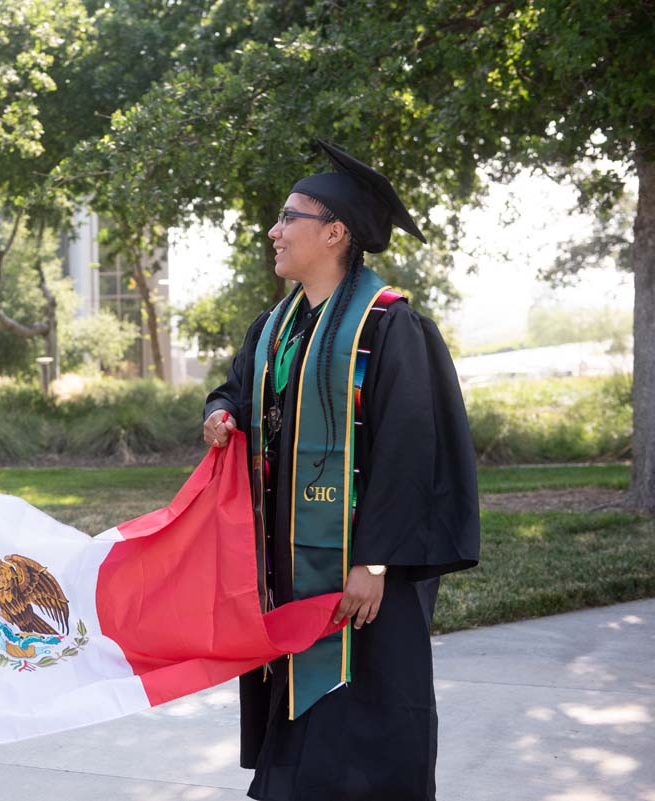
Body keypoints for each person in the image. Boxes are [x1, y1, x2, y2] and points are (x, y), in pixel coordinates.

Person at [202, 141, 479, 801]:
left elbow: (413, 450)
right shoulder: (274, 330)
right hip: (288, 574)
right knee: (300, 728)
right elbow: (236, 390)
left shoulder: (390, 326)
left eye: (287, 217)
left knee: (368, 728)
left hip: (364, 581)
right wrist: (220, 414)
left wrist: (375, 560)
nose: (273, 230)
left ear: (333, 233)